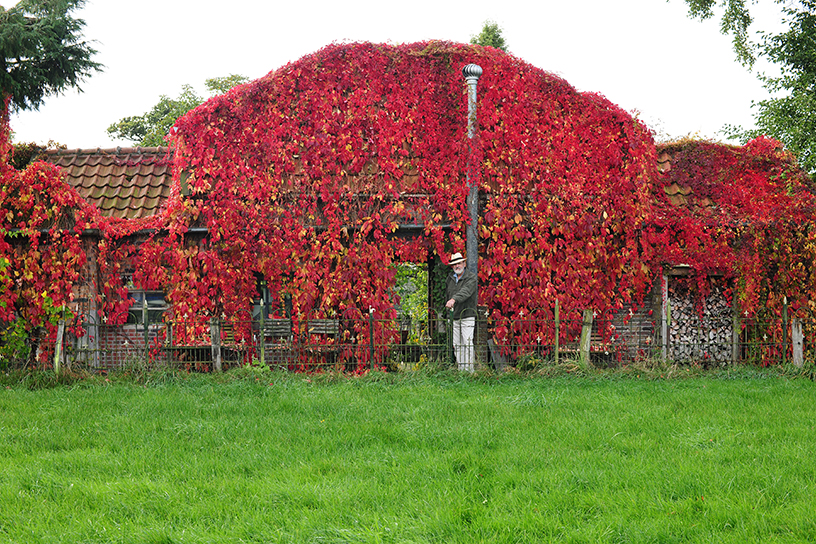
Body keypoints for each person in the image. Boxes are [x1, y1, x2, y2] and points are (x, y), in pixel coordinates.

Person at [445, 252, 477, 372]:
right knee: (457, 344)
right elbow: (447, 296)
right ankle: (461, 370)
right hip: (454, 316)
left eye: (459, 263)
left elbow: (466, 292)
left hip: (467, 315)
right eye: (454, 264)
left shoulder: (471, 277)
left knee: (467, 343)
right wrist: (448, 314)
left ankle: (470, 370)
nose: (457, 266)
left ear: (464, 263)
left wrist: (454, 299)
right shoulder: (450, 278)